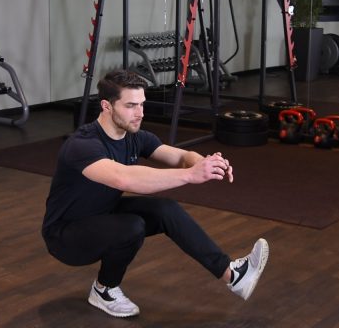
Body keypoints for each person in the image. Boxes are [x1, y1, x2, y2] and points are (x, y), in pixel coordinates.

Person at [41, 70, 269, 318]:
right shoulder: (82, 144)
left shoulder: (135, 137)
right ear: (106, 106)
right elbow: (124, 178)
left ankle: (233, 275)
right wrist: (190, 175)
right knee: (132, 227)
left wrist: (205, 163)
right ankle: (105, 290)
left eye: (142, 104)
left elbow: (181, 156)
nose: (139, 113)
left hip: (101, 214)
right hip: (65, 236)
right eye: (130, 106)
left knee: (165, 209)